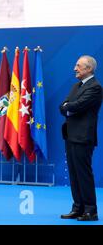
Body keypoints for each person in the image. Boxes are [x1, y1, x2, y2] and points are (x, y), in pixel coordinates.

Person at [60, 55, 102, 221]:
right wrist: (69, 107)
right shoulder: (76, 86)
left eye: (78, 66)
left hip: (83, 137)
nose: (75, 69)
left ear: (88, 69)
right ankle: (78, 208)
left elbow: (76, 105)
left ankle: (91, 211)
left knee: (83, 174)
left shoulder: (96, 87)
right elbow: (63, 105)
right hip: (70, 136)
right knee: (74, 174)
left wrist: (68, 107)